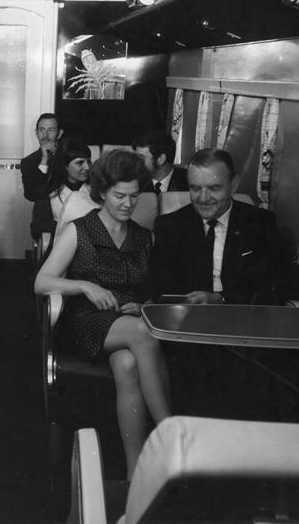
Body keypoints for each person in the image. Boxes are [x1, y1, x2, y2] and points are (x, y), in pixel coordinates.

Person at [35, 150, 171, 479]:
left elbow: (151, 292)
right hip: (84, 320)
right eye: (119, 195)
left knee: (126, 363)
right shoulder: (80, 230)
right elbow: (41, 282)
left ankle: (133, 472)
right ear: (102, 193)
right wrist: (84, 285)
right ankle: (171, 430)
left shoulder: (143, 237)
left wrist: (141, 305)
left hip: (127, 320)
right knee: (142, 332)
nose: (127, 204)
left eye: (135, 196)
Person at [150, 148, 299, 305]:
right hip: (187, 320)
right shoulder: (170, 226)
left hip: (245, 318)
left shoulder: (260, 224)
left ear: (234, 185)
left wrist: (222, 298)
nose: (203, 198)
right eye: (195, 188)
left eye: (214, 188)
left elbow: (281, 285)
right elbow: (160, 289)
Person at [30, 138, 91, 238]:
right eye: (80, 163)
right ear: (64, 166)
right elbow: (36, 229)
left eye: (88, 162)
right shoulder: (48, 193)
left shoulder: (96, 191)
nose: (87, 167)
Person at [20, 113, 63, 202]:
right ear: (36, 133)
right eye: (41, 130)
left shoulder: (68, 157)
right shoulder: (28, 161)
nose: (45, 135)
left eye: (51, 130)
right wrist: (43, 161)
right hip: (44, 213)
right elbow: (30, 195)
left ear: (59, 134)